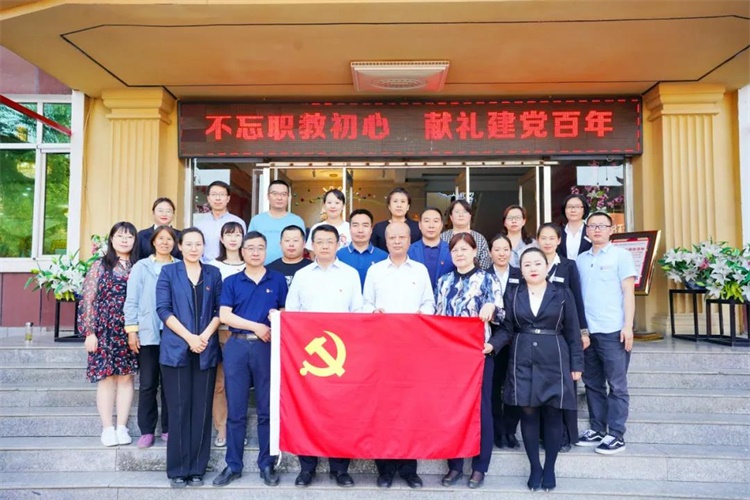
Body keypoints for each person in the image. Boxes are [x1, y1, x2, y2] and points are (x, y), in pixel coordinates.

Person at [496, 247, 583, 492]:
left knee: (553, 414)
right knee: (528, 414)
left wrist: (577, 364)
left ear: (547, 267)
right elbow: (506, 329)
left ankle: (550, 468)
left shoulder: (562, 293)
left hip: (555, 358)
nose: (532, 268)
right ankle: (535, 467)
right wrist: (491, 345)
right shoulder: (513, 293)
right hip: (522, 358)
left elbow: (573, 331)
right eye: (527, 265)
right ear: (521, 270)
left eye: (537, 264)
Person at [286, 224, 363, 488]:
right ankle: (307, 467)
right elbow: (292, 313)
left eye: (330, 241)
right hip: (308, 357)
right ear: (312, 246)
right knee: (307, 410)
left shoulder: (350, 275)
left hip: (342, 354)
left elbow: (358, 312)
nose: (325, 246)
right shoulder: (302, 275)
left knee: (341, 412)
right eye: (319, 241)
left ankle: (340, 468)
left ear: (338, 244)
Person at [213, 231, 288, 488]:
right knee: (236, 409)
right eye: (251, 248)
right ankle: (233, 464)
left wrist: (277, 316)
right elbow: (225, 315)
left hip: (267, 348)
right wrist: (256, 326)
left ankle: (267, 463)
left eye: (260, 248)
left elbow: (285, 311)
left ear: (266, 251)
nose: (255, 252)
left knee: (267, 409)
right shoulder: (232, 281)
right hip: (237, 345)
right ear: (242, 251)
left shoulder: (277, 279)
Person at [363, 222, 434, 490]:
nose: (396, 241)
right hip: (381, 350)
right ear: (385, 240)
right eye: (391, 237)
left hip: (413, 350)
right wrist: (373, 313)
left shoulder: (420, 270)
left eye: (401, 237)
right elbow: (364, 304)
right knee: (383, 409)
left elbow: (429, 302)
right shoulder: (375, 271)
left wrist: (422, 315)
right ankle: (385, 469)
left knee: (409, 409)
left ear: (409, 239)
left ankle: (408, 469)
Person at [435, 232, 504, 490]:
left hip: (479, 354)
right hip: (450, 357)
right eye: (455, 250)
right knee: (453, 410)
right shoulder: (443, 281)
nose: (459, 254)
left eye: (464, 249)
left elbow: (503, 316)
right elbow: (437, 318)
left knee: (481, 410)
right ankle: (454, 465)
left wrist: (492, 310)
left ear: (475, 252)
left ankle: (479, 466)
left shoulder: (488, 279)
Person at [156, 228, 223, 488]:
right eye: (189, 244)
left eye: (199, 244)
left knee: (201, 411)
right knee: (179, 409)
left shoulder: (213, 273)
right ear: (180, 247)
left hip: (206, 348)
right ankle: (178, 469)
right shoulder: (169, 272)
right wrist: (189, 338)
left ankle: (197, 469)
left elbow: (220, 309)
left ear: (204, 247)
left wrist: (203, 337)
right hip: (176, 349)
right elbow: (163, 309)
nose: (194, 249)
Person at [575, 212, 636, 455]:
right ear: (586, 231)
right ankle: (597, 429)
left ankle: (616, 434)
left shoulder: (621, 255)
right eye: (592, 226)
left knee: (617, 385)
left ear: (611, 230)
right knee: (592, 383)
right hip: (589, 332)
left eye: (602, 226)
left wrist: (628, 326)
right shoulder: (580, 259)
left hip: (613, 330)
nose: (597, 230)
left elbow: (628, 292)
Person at [79, 221, 139, 447]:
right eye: (120, 236)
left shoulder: (138, 266)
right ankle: (107, 428)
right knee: (106, 379)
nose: (124, 240)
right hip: (103, 329)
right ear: (112, 239)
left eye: (129, 236)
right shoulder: (100, 265)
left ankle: (122, 427)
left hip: (130, 329)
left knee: (126, 377)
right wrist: (89, 332)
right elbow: (88, 299)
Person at [124, 225, 179, 448]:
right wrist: (132, 331)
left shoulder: (179, 266)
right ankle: (146, 431)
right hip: (147, 333)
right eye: (161, 238)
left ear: (175, 244)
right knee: (147, 384)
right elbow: (132, 300)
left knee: (170, 383)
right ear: (153, 242)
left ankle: (168, 428)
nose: (165, 242)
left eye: (169, 239)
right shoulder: (141, 266)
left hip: (173, 333)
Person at [537, 223, 590, 452]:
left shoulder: (568, 266)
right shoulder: (532, 263)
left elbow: (577, 300)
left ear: (559, 241)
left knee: (566, 386)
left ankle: (567, 434)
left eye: (552, 238)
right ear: (537, 240)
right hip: (540, 336)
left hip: (563, 334)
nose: (547, 242)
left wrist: (582, 331)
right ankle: (544, 434)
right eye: (543, 238)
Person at [207, 221, 246, 448]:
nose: (233, 239)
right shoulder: (212, 267)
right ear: (221, 239)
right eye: (229, 235)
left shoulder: (250, 264)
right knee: (219, 384)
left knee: (239, 384)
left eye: (238, 234)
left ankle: (237, 429)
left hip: (244, 333)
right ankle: (221, 428)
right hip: (219, 332)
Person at [486, 234, 522, 450]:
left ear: (511, 252)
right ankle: (498, 430)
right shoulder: (483, 275)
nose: (501, 253)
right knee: (493, 386)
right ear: (490, 252)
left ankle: (510, 430)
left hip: (517, 338)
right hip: (491, 340)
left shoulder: (520, 274)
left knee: (514, 385)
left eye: (505, 249)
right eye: (497, 249)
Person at [248, 180, 305, 264]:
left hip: (290, 268)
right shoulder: (256, 220)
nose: (279, 198)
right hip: (261, 268)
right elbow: (249, 246)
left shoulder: (297, 221)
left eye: (283, 194)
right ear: (268, 196)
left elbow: (301, 248)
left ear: (289, 197)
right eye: (275, 194)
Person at [195, 181, 246, 263]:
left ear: (228, 198)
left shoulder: (238, 222)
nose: (218, 198)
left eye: (222, 194)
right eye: (214, 194)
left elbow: (243, 248)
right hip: (206, 267)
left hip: (231, 267)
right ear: (208, 198)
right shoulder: (200, 224)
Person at [337, 209, 388, 288]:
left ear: (371, 229)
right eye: (355, 225)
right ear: (349, 228)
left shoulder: (383, 257)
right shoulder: (338, 256)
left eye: (365, 225)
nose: (360, 230)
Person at [407, 207, 455, 290]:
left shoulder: (452, 250)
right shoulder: (409, 251)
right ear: (420, 225)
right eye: (426, 221)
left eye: (435, 221)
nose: (431, 226)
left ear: (441, 225)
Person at [439, 199, 491, 269]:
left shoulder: (479, 238)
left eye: (465, 212)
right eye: (457, 212)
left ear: (470, 216)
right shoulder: (442, 237)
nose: (461, 215)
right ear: (451, 217)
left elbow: (485, 265)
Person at [305, 189, 351, 256]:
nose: (333, 206)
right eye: (329, 202)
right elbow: (312, 253)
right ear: (324, 206)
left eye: (337, 203)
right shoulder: (316, 228)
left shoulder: (350, 228)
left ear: (343, 206)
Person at [558, 194, 592, 260]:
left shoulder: (591, 231)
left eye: (577, 207)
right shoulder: (557, 232)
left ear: (584, 210)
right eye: (569, 207)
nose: (573, 210)